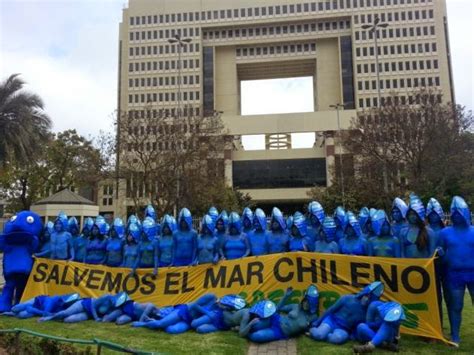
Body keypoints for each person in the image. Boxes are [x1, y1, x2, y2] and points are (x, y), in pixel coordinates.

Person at [438, 196, 474, 346]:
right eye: (455, 214)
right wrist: (441, 255)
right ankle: (455, 336)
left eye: (460, 213)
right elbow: (441, 256)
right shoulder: (445, 233)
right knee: (455, 306)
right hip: (454, 274)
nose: (457, 216)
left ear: (465, 213)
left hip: (472, 273)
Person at [308, 281, 384, 345]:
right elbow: (331, 310)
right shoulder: (347, 298)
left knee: (337, 339)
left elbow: (358, 327)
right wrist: (317, 322)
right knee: (319, 334)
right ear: (363, 293)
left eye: (370, 298)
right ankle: (312, 330)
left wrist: (352, 335)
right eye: (366, 295)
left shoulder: (367, 313)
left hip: (344, 329)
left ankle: (324, 334)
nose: (367, 299)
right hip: (331, 321)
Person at [239, 285, 319, 342]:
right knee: (255, 326)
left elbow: (312, 327)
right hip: (276, 319)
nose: (306, 304)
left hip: (280, 332)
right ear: (303, 299)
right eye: (305, 301)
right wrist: (285, 296)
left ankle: (245, 333)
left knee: (257, 336)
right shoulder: (295, 306)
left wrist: (309, 331)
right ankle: (241, 327)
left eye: (308, 303)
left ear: (313, 304)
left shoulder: (313, 317)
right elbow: (278, 309)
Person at [0, 211, 41, 312]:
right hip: (20, 269)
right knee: (15, 286)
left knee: (14, 286)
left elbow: (34, 248)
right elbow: (34, 248)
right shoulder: (14, 244)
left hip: (15, 269)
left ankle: (10, 304)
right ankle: (12, 304)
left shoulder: (22, 244)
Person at [132, 294, 217, 334]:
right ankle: (144, 324)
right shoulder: (211, 297)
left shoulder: (218, 312)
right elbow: (195, 304)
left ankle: (159, 320)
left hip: (189, 321)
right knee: (160, 324)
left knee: (172, 330)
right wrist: (208, 313)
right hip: (185, 310)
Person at [39, 294, 117, 323]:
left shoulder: (114, 308)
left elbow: (106, 315)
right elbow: (93, 305)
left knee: (67, 320)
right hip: (84, 304)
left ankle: (55, 315)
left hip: (88, 314)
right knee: (66, 313)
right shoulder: (106, 297)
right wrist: (96, 317)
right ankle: (48, 318)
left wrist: (105, 318)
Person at [3, 293, 80, 319]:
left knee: (21, 315)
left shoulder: (64, 309)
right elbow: (46, 313)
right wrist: (45, 313)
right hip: (35, 302)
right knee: (14, 309)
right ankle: (12, 313)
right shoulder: (55, 299)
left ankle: (13, 314)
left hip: (35, 309)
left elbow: (47, 315)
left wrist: (33, 310)